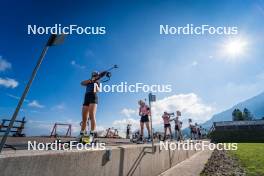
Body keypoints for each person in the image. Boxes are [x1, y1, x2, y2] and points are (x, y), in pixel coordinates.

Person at [79, 71, 100, 142]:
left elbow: (97, 90)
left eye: (96, 75)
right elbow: (82, 83)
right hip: (86, 97)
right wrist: (91, 80)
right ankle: (81, 134)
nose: (94, 75)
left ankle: (91, 134)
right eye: (93, 75)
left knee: (92, 116)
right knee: (84, 118)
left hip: (93, 97)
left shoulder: (97, 82)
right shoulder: (89, 81)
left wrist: (95, 84)